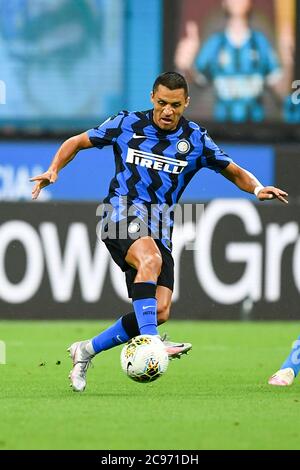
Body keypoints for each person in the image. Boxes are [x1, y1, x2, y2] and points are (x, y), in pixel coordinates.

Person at [31, 72, 288, 392]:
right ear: (152, 97)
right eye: (163, 103)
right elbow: (77, 142)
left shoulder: (195, 139)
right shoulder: (126, 124)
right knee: (150, 260)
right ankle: (151, 341)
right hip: (118, 215)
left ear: (186, 103)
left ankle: (86, 350)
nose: (168, 110)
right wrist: (54, 169)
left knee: (160, 310)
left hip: (160, 227)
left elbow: (233, 171)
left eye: (176, 105)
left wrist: (258, 188)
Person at [174, 0, 290, 123]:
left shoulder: (260, 41)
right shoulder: (214, 42)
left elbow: (281, 90)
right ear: (224, 3)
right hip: (220, 132)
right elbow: (196, 80)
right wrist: (183, 67)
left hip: (258, 131)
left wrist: (288, 60)